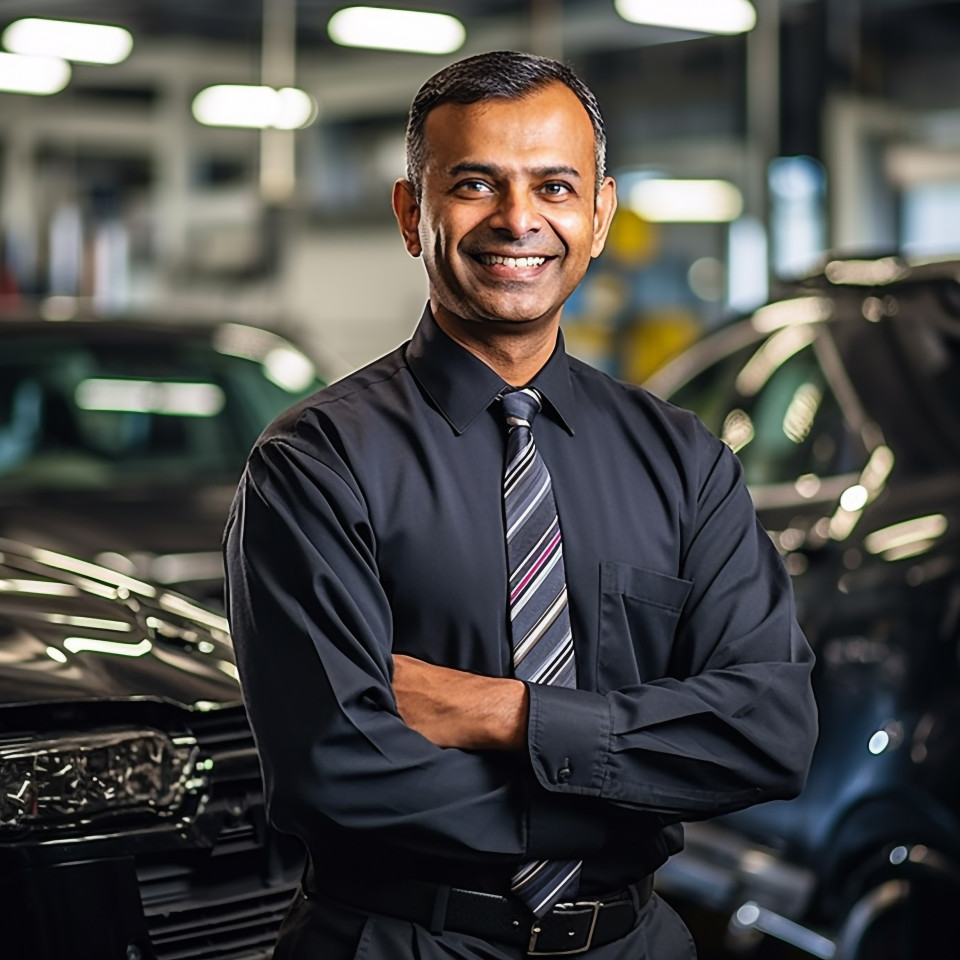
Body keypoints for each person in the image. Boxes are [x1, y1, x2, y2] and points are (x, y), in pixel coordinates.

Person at [223, 50, 818, 960]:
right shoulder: (318, 461)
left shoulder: (686, 461)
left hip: (635, 944)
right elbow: (336, 772)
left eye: (553, 185)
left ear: (600, 214)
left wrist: (510, 716)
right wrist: (633, 788)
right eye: (474, 183)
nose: (517, 219)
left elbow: (770, 733)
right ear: (410, 214)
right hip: (401, 941)